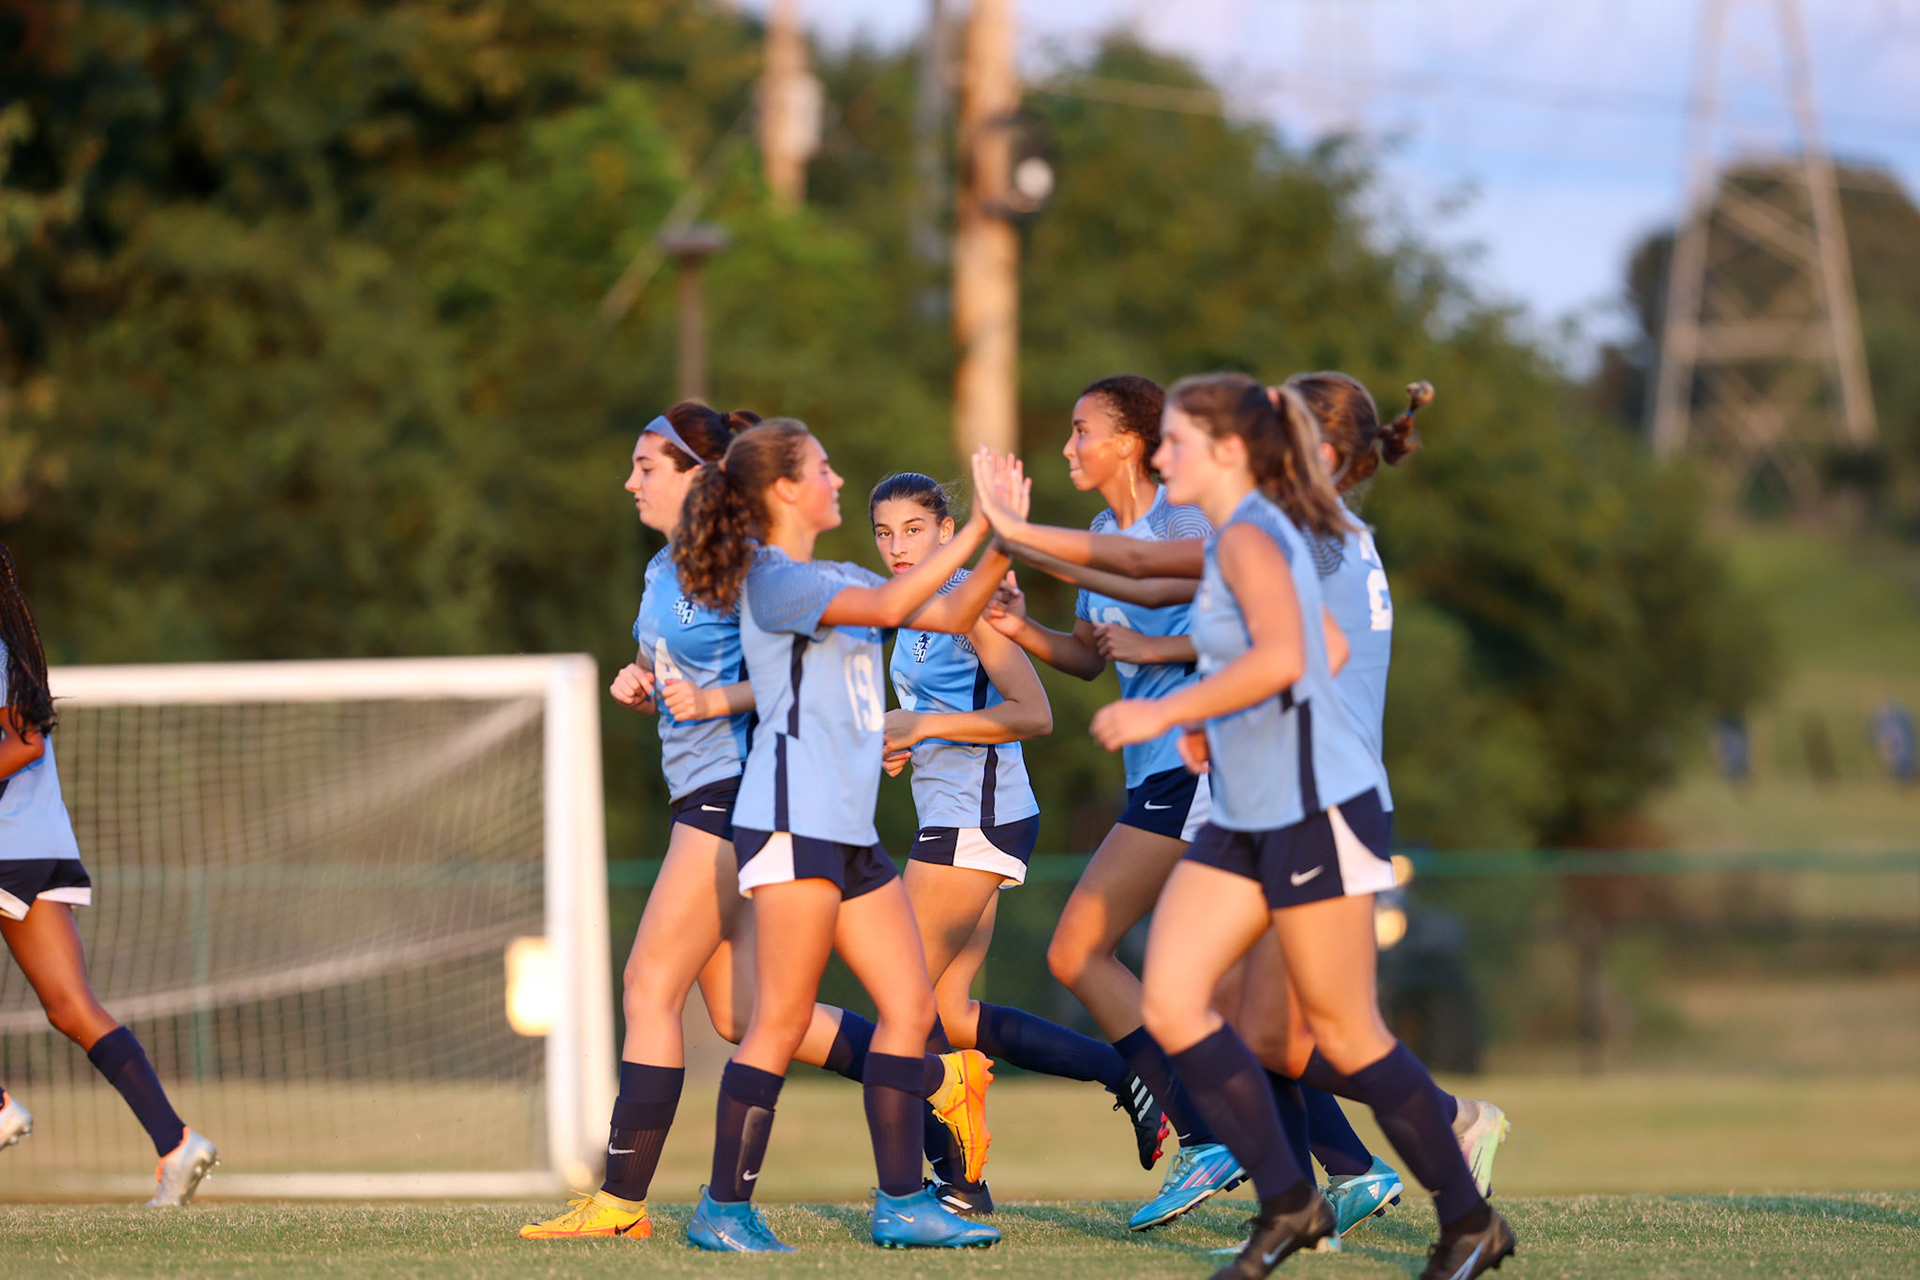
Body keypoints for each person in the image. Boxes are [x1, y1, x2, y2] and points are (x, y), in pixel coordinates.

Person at [519, 406, 989, 1243]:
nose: (630, 481)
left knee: (665, 992)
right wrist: (644, 676)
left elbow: (818, 649)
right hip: (765, 805)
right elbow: (769, 653)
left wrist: (997, 551)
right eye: (824, 470)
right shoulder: (680, 570)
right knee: (749, 1017)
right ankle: (917, 1102)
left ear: (704, 475)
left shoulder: (753, 570)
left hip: (748, 796)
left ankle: (629, 1200)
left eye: (646, 466)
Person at [1086, 373, 1513, 1280]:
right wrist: (1213, 709)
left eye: (1271, 426)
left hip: (1319, 799)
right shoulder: (1291, 533)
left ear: (1310, 453)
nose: (1171, 455)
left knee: (1340, 1033)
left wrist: (1172, 709)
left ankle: (1459, 1193)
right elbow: (1295, 644)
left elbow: (1266, 631)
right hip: (1255, 798)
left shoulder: (1300, 536)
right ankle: (1293, 1201)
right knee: (1212, 1013)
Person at [671, 421, 1016, 1252]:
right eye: (821, 467)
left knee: (907, 1008)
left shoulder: (838, 573)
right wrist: (979, 526)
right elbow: (900, 604)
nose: (834, 477)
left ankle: (902, 1201)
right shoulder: (774, 577)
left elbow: (950, 609)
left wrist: (1003, 545)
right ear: (786, 490)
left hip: (850, 830)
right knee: (779, 1021)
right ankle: (723, 1208)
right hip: (792, 818)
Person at [974, 375, 1245, 1230]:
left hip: (1202, 772)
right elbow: (1093, 658)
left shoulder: (1183, 519)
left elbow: (1171, 596)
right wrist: (1022, 628)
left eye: (1081, 430)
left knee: (1082, 952)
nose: (1068, 447)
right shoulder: (1096, 530)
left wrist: (1013, 534)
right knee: (1233, 1007)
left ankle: (1210, 1138)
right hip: (1156, 779)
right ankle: (1365, 1156)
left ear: (1131, 442)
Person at [869, 471, 1166, 1216]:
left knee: (899, 1008)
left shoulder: (969, 603)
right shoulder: (909, 610)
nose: (897, 546)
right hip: (954, 812)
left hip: (978, 817)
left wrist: (926, 727)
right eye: (883, 532)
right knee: (945, 1011)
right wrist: (909, 740)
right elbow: (940, 709)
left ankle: (925, 1189)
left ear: (946, 529)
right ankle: (1113, 1081)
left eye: (913, 529)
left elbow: (1032, 713)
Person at [0, 545, 218, 1206]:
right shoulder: (8, 650)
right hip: (38, 844)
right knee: (72, 1006)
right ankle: (178, 1144)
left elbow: (24, 742)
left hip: (7, 844)